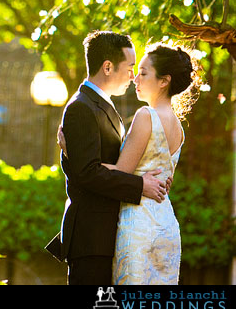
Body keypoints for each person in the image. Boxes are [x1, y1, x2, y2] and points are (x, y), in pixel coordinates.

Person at [46, 30, 167, 286]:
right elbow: (87, 173)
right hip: (92, 237)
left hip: (107, 234)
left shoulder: (102, 105)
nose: (133, 75)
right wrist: (140, 185)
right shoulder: (81, 107)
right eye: (130, 67)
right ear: (108, 67)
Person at [107, 43, 199, 285]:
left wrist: (73, 154)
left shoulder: (146, 116)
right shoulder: (178, 128)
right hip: (166, 225)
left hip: (139, 224)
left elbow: (119, 174)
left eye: (144, 72)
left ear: (163, 81)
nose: (135, 78)